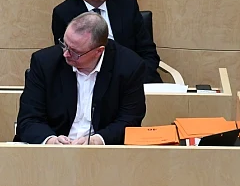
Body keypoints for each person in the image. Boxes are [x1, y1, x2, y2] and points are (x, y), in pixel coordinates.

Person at [15, 12, 146, 145]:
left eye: (74, 51)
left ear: (98, 51)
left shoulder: (129, 66)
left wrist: (96, 141)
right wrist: (51, 141)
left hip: (102, 152)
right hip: (51, 150)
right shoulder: (44, 62)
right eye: (64, 44)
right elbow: (29, 119)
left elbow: (130, 120)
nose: (66, 54)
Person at [51, 0, 161, 83]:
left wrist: (135, 79)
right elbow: (68, 59)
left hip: (134, 77)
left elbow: (148, 53)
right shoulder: (64, 13)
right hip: (91, 81)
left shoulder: (127, 4)